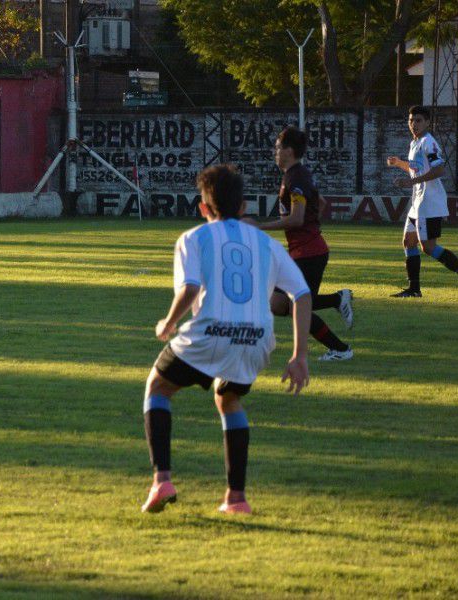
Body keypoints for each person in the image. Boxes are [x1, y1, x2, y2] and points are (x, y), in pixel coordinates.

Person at [141, 164, 312, 515]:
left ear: (204, 208)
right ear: (244, 207)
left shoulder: (193, 238)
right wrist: (299, 355)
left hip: (209, 331)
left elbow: (189, 289)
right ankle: (237, 499)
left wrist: (168, 323)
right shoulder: (265, 243)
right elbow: (302, 294)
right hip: (256, 338)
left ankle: (162, 480)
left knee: (158, 387)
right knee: (229, 398)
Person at [243, 126, 354, 362]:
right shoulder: (296, 175)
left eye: (277, 148)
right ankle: (337, 299)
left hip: (309, 254)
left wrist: (259, 228)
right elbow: (320, 203)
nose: (275, 152)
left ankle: (341, 349)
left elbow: (296, 219)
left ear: (289, 151)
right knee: (277, 304)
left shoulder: (296, 177)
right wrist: (311, 226)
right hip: (301, 251)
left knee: (297, 308)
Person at [386, 105, 458, 298]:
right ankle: (414, 289)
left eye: (419, 120)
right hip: (417, 203)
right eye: (411, 120)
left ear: (428, 122)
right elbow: (416, 169)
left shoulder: (429, 142)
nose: (414, 124)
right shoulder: (415, 143)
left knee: (428, 247)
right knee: (408, 242)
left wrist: (409, 182)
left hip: (429, 203)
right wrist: (399, 163)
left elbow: (439, 170)